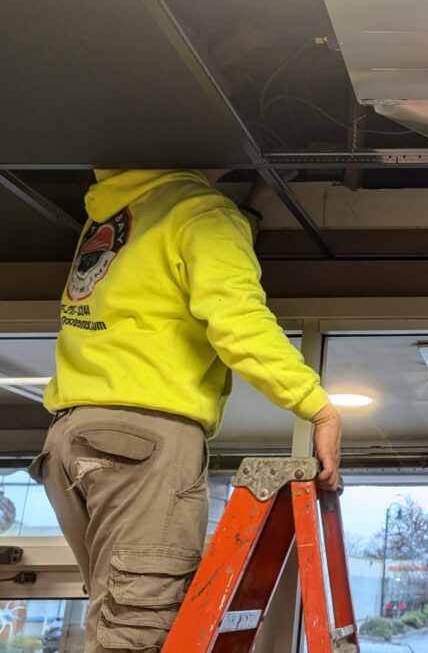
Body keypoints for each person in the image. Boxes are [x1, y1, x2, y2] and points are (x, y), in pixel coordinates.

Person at [27, 169, 341, 652]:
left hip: (72, 435)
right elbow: (239, 321)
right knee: (137, 636)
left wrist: (248, 210)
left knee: (115, 615)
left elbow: (183, 262)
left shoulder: (121, 208)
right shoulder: (202, 213)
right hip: (140, 442)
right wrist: (317, 408)